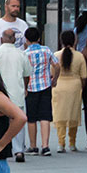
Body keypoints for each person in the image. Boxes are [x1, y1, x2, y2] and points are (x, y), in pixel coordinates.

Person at [0, 26, 34, 162]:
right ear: (14, 39)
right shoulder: (21, 54)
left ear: (1, 39)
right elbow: (27, 74)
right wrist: (25, 87)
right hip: (16, 92)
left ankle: (0, 148)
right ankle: (19, 150)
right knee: (17, 120)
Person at [23, 27, 59, 156]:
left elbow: (24, 72)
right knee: (45, 116)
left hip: (31, 87)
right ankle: (45, 146)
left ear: (26, 40)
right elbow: (57, 65)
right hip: (45, 86)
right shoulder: (46, 50)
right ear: (39, 38)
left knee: (31, 118)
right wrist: (55, 79)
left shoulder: (25, 54)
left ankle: (33, 146)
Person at [53, 30, 87, 151]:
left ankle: (60, 143)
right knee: (73, 114)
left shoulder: (56, 55)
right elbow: (84, 76)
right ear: (74, 41)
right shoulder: (79, 56)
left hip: (59, 87)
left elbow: (52, 74)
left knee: (60, 114)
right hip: (74, 87)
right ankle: (72, 143)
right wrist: (81, 87)